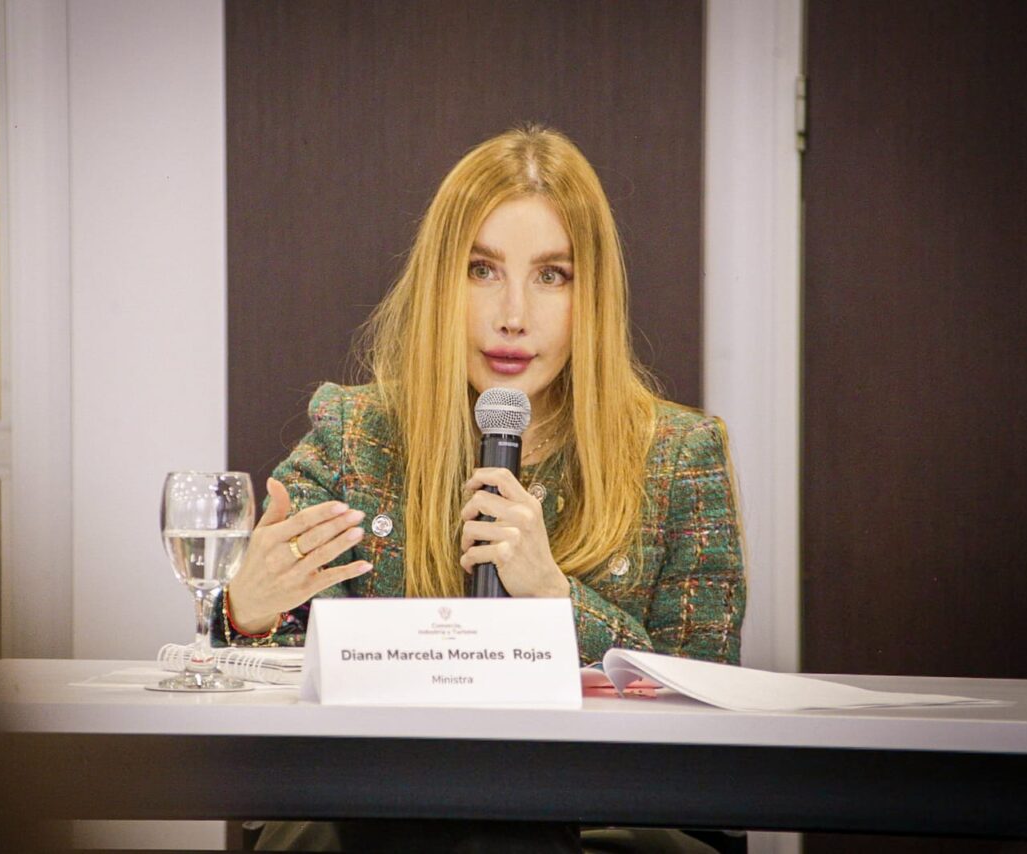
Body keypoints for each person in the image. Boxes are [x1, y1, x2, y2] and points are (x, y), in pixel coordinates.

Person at [214, 124, 745, 853]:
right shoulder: (356, 433)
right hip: (387, 810)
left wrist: (555, 597)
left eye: (552, 275)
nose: (513, 316)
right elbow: (279, 687)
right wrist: (246, 612)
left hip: (598, 815)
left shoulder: (680, 455)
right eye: (482, 270)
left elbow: (707, 710)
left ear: (593, 294)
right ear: (441, 282)